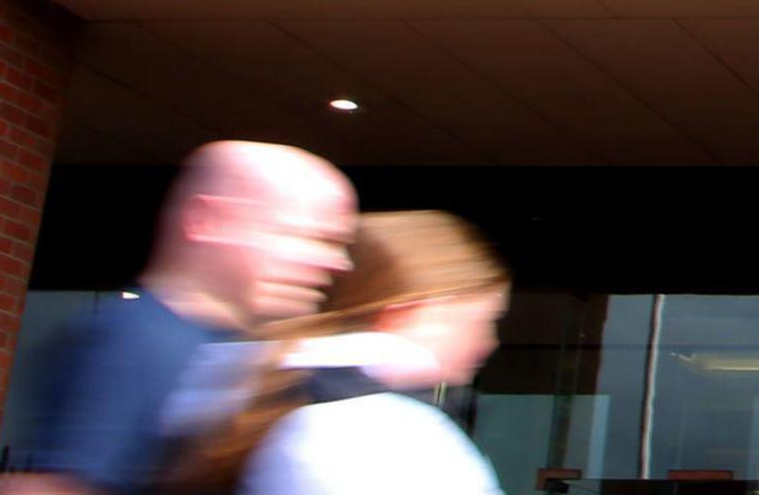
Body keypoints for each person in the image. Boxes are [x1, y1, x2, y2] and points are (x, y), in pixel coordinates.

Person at [0, 141, 355, 495]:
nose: (337, 263)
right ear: (209, 220)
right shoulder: (129, 341)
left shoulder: (257, 353)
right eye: (302, 234)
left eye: (336, 243)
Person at [163, 210, 508, 495]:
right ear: (413, 313)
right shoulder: (386, 435)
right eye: (481, 321)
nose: (487, 343)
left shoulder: (267, 392)